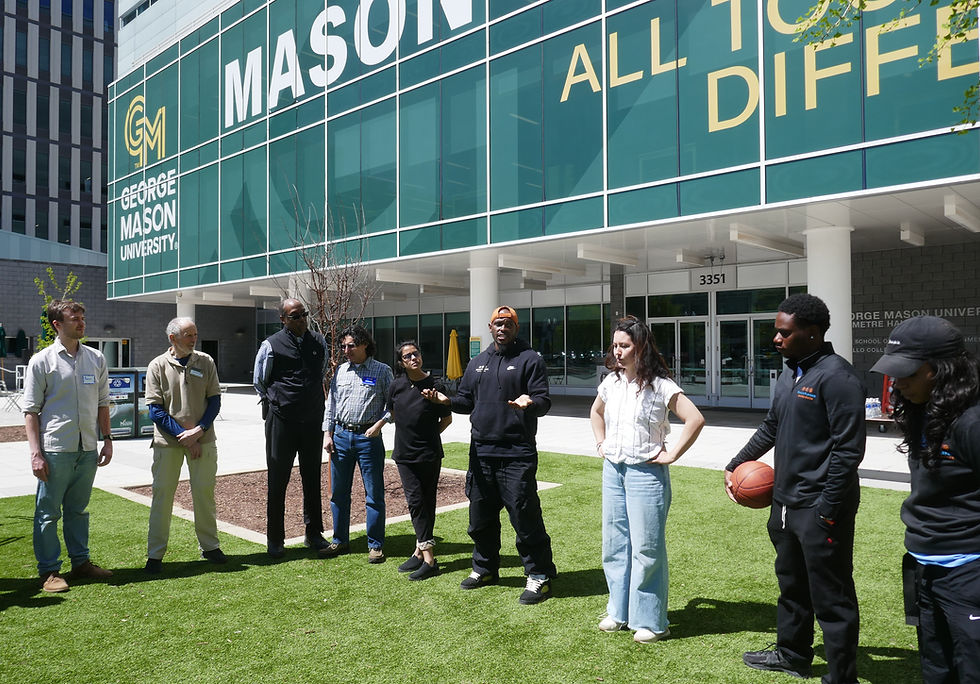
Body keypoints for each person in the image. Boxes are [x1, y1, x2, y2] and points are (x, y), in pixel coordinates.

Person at [724, 293, 865, 683]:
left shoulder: (838, 377)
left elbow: (848, 450)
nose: (776, 339)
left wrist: (827, 508)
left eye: (784, 333)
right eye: (777, 332)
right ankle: (792, 654)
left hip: (820, 507)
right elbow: (771, 426)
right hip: (784, 503)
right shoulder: (791, 373)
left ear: (813, 334)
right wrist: (736, 463)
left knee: (832, 596)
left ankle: (841, 675)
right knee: (791, 585)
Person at [422, 305, 557, 604]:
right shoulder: (477, 363)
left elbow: (544, 401)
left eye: (508, 324)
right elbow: (466, 402)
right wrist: (445, 401)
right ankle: (485, 568)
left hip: (516, 453)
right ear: (490, 326)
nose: (502, 328)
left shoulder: (529, 359)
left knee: (524, 516)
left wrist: (530, 402)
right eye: (498, 323)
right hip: (481, 452)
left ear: (516, 328)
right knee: (480, 518)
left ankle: (540, 576)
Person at [871, 316, 980, 683]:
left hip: (970, 574)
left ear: (941, 370)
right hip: (925, 568)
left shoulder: (972, 423)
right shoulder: (924, 411)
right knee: (936, 671)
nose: (898, 382)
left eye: (908, 373)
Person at [589, 316, 704, 644]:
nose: (618, 351)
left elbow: (695, 418)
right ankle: (618, 612)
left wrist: (672, 454)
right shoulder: (611, 383)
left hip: (646, 474)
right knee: (615, 545)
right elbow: (596, 412)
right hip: (614, 470)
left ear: (640, 347)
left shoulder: (661, 385)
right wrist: (601, 443)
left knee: (647, 549)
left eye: (624, 345)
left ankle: (652, 621)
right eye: (615, 345)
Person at [23, 300, 113, 593]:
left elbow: (102, 403)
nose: (81, 322)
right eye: (74, 318)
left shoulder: (96, 359)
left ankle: (81, 563)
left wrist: (107, 439)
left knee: (78, 510)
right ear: (57, 325)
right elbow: (31, 411)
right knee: (48, 512)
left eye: (82, 317)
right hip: (55, 449)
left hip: (87, 448)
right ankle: (49, 571)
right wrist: (36, 453)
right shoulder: (42, 361)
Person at [143, 317, 224, 574]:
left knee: (204, 494)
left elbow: (214, 401)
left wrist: (198, 432)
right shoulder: (157, 365)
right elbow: (155, 410)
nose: (193, 339)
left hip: (204, 440)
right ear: (172, 338)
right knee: (162, 497)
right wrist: (184, 437)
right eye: (188, 334)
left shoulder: (206, 361)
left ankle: (210, 547)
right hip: (168, 443)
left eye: (195, 334)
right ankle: (155, 555)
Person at [370, 341, 453, 581]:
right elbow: (393, 412)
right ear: (401, 362)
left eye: (416, 353)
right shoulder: (396, 385)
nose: (413, 358)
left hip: (429, 454)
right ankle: (429, 559)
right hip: (404, 455)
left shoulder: (435, 384)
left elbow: (447, 419)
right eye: (407, 356)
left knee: (427, 503)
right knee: (416, 501)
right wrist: (378, 425)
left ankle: (420, 552)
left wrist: (427, 436)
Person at [253, 299, 329, 559]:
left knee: (312, 478)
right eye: (295, 316)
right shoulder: (270, 345)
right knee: (278, 480)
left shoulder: (318, 342)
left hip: (312, 421)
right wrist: (278, 400)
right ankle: (275, 539)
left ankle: (314, 533)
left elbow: (320, 375)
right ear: (283, 320)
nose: (301, 320)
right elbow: (260, 381)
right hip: (281, 421)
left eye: (303, 315)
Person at [322, 325, 393, 563]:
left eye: (351, 345)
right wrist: (328, 434)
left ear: (364, 344)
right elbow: (331, 404)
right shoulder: (340, 371)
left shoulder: (382, 371)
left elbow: (392, 406)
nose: (346, 350)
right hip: (341, 437)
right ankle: (339, 540)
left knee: (374, 494)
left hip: (368, 440)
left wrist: (380, 424)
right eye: (343, 346)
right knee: (339, 494)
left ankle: (375, 544)